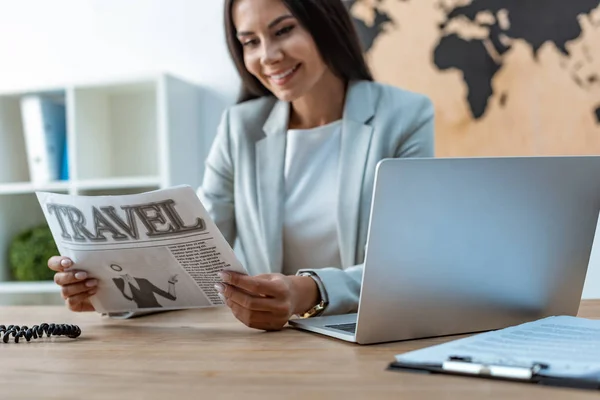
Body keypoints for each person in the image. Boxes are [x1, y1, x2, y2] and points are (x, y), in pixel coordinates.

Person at [47, 0, 434, 330]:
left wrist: (307, 291)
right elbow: (193, 254)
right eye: (250, 42)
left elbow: (409, 263)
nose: (267, 56)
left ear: (325, 25)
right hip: (274, 346)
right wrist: (111, 291)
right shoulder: (241, 127)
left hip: (366, 336)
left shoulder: (403, 116)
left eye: (283, 31)